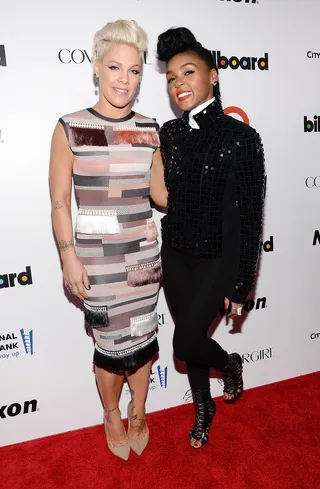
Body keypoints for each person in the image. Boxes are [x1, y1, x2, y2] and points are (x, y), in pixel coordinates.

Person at [49, 19, 166, 461]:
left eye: (134, 70)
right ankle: (112, 413)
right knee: (109, 346)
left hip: (143, 257)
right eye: (115, 68)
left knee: (143, 337)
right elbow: (60, 202)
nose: (124, 79)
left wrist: (203, 182)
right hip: (96, 263)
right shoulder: (70, 127)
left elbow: (159, 194)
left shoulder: (152, 129)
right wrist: (68, 259)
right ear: (96, 68)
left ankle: (139, 409)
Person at [157, 27, 265, 449]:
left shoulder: (242, 138)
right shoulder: (170, 133)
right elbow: (168, 194)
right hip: (176, 254)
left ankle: (231, 364)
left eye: (188, 72)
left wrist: (243, 284)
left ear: (213, 75)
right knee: (192, 337)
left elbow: (253, 218)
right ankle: (204, 406)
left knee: (185, 341)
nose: (179, 83)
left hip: (218, 258)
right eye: (170, 77)